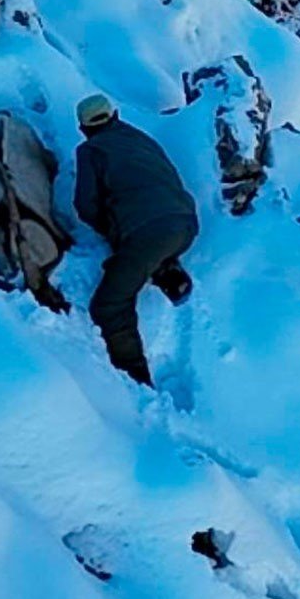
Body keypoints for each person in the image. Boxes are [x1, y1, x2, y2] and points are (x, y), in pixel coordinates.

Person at [73, 94, 198, 386]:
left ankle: (135, 375)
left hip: (147, 234)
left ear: (83, 128)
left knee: (109, 304)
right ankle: (168, 272)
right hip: (186, 223)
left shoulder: (90, 150)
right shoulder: (141, 138)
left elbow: (85, 206)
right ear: (114, 115)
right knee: (146, 252)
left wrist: (112, 228)